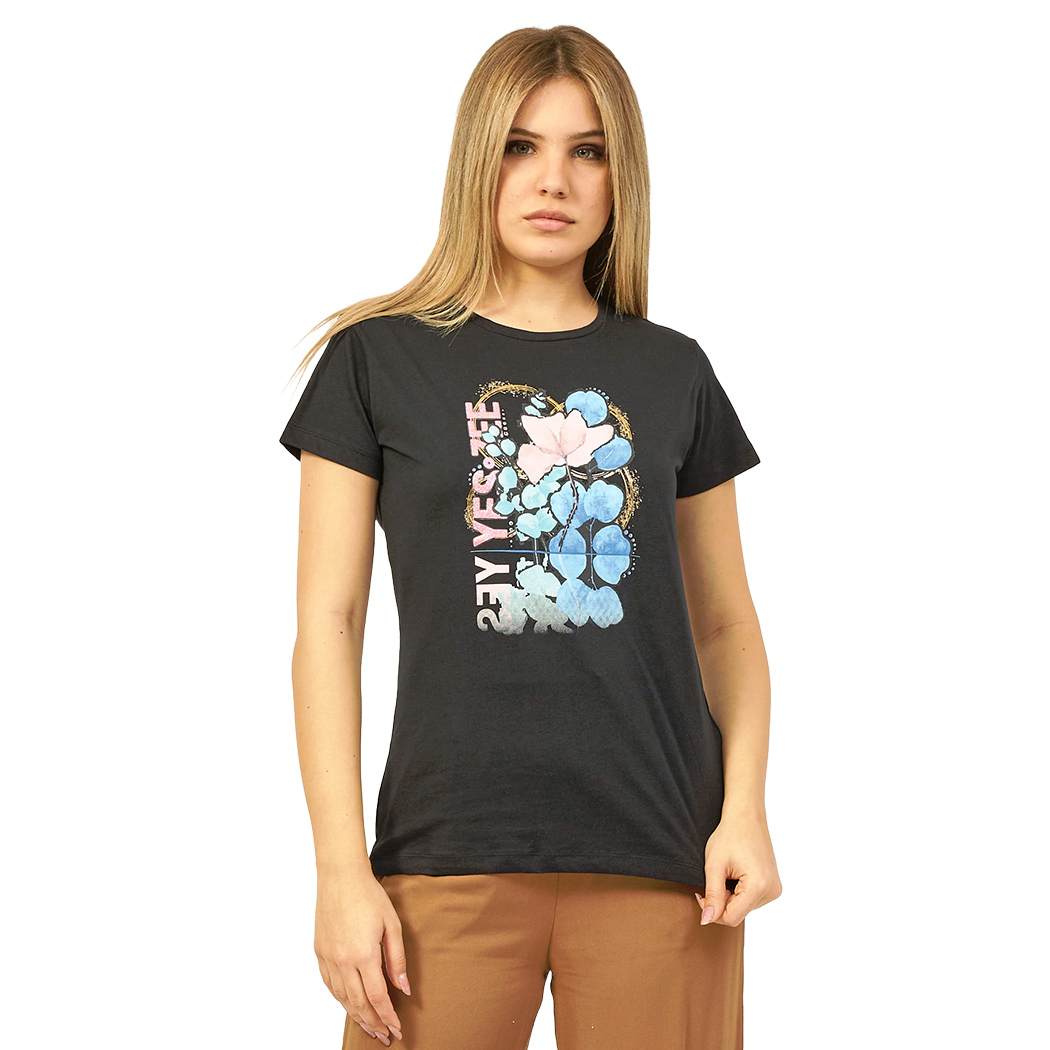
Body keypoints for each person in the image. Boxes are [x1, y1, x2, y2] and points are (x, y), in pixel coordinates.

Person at [279, 24, 781, 1050]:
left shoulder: (673, 371)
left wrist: (746, 811)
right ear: (479, 158)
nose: (553, 178)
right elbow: (329, 622)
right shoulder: (375, 361)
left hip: (663, 857)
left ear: (620, 175)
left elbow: (726, 625)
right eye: (520, 145)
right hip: (442, 854)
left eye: (587, 150)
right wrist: (340, 869)